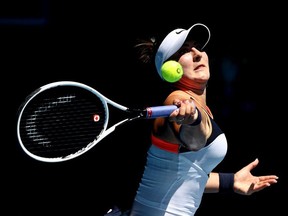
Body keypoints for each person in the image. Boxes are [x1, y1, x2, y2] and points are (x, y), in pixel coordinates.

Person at [106, 23, 279, 216]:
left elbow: (185, 175)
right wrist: (192, 121)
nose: (197, 53)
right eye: (185, 51)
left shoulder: (201, 105)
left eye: (198, 46)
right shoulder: (176, 100)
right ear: (169, 69)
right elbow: (195, 141)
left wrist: (231, 181)